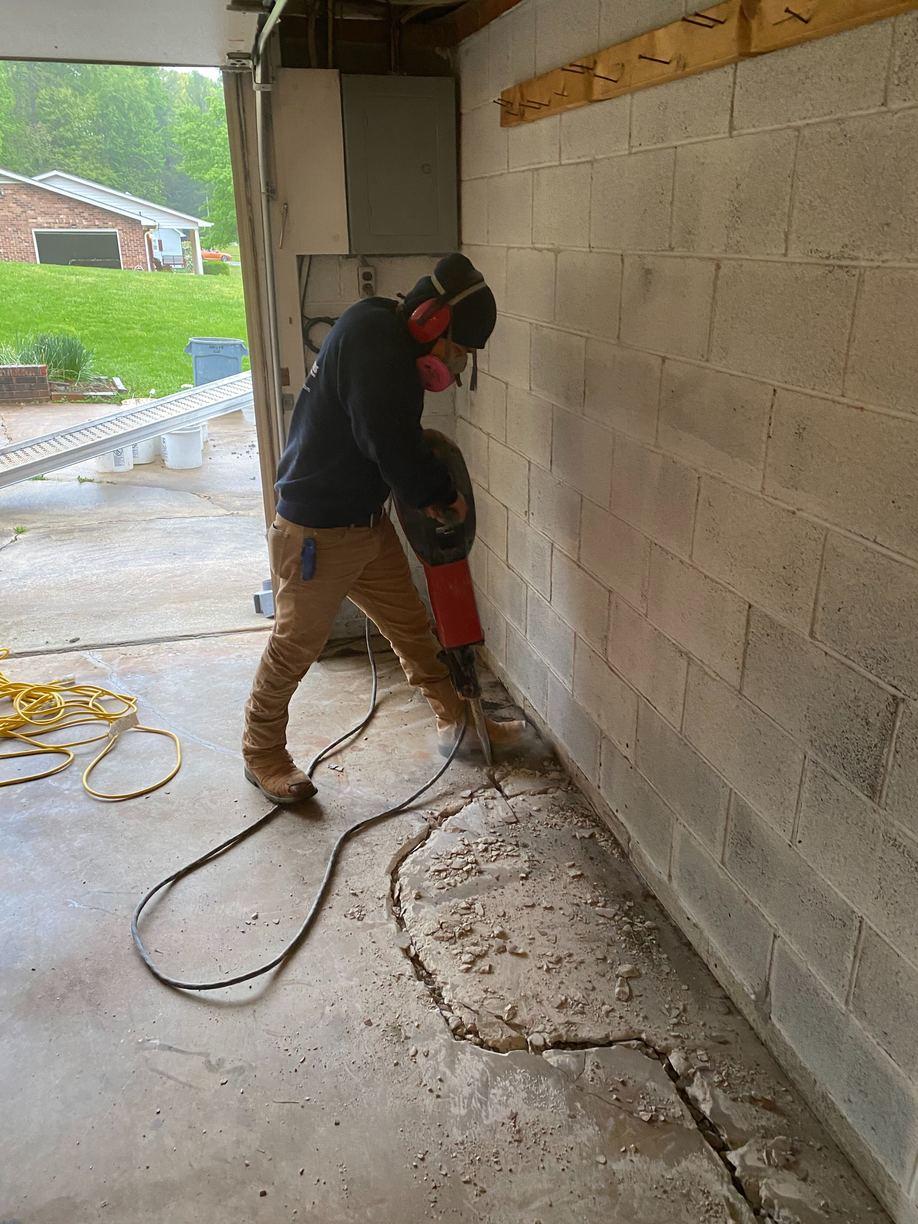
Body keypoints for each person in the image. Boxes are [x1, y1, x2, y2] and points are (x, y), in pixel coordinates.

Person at [242, 252, 523, 804]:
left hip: (365, 524)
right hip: (316, 532)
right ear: (434, 323)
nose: (459, 365)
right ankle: (262, 751)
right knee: (296, 646)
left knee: (414, 630)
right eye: (461, 349)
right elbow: (388, 443)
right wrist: (442, 497)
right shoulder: (377, 343)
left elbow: (391, 440)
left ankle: (460, 725)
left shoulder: (383, 328)